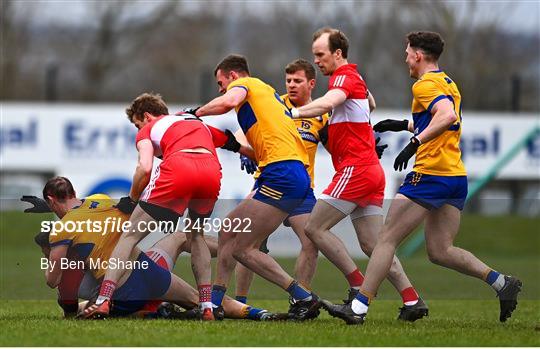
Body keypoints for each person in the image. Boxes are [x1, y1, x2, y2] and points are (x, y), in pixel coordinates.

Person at [325, 31, 522, 325]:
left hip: (430, 175)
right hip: (455, 176)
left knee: (386, 240)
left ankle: (358, 308)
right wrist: (405, 124)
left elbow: (447, 117)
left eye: (407, 52)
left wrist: (415, 142)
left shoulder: (424, 84)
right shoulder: (447, 82)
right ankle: (500, 282)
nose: (405, 57)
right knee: (440, 250)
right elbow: (444, 118)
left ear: (418, 55)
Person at [290, 27, 427, 322]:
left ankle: (357, 287)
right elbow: (370, 103)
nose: (316, 61)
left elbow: (327, 103)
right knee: (374, 246)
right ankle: (412, 299)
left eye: (320, 55)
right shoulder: (355, 78)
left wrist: (293, 113)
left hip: (356, 168)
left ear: (338, 53)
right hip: (369, 170)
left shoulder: (344, 77)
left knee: (314, 228)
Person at [36, 176, 277, 320]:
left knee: (77, 292)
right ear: (74, 192)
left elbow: (52, 279)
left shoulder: (62, 229)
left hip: (122, 291)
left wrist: (48, 253)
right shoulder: (100, 199)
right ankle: (257, 311)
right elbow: (128, 209)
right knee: (197, 296)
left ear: (51, 200)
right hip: (148, 270)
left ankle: (156, 309)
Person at [192, 54, 322, 320]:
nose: (220, 89)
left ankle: (303, 296)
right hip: (281, 172)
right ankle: (215, 302)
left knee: (244, 248)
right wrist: (236, 146)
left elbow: (228, 101)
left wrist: (196, 113)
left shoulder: (247, 85)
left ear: (233, 77)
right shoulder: (266, 95)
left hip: (282, 174)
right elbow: (262, 151)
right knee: (229, 230)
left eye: (221, 82)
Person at [85, 93, 229, 320]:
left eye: (136, 124)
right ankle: (206, 306)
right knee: (197, 235)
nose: (137, 130)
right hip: (211, 171)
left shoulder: (150, 127)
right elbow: (230, 141)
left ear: (147, 116)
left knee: (129, 236)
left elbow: (144, 167)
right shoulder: (191, 120)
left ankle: (104, 300)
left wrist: (132, 200)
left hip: (179, 167)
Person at [233, 59, 329, 303]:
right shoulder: (276, 103)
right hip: (270, 182)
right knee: (249, 242)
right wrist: (244, 149)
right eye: (288, 81)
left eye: (297, 81)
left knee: (311, 241)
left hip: (301, 188)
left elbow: (337, 143)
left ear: (311, 83)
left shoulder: (321, 113)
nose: (291, 85)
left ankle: (302, 301)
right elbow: (242, 130)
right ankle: (240, 301)